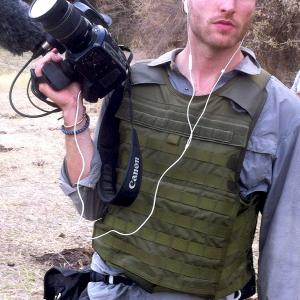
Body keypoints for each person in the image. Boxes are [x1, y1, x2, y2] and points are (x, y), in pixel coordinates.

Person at [34, 0, 300, 299]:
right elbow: (90, 204)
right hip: (108, 290)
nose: (228, 6)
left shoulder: (281, 111)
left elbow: (287, 253)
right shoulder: (131, 83)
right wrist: (72, 111)